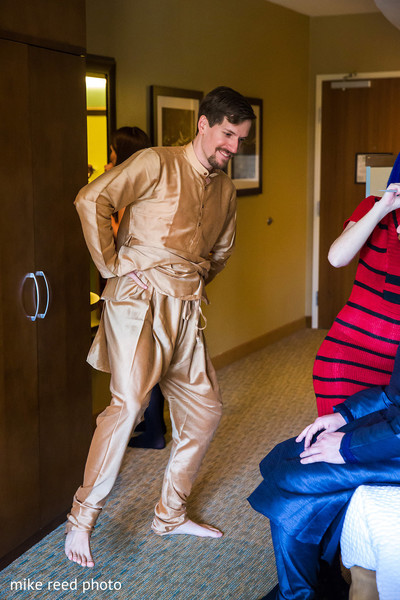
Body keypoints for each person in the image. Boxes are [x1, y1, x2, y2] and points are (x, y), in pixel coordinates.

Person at [65, 86, 256, 568]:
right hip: (137, 302)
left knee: (207, 410)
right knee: (128, 404)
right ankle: (82, 518)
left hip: (186, 307)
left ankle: (169, 514)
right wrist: (111, 265)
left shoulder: (227, 190)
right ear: (203, 124)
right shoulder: (156, 161)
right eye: (227, 135)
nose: (232, 148)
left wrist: (188, 279)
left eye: (241, 140)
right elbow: (92, 199)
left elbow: (222, 252)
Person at [248, 339, 400, 600]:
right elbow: (395, 394)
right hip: (390, 427)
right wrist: (346, 416)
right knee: (282, 456)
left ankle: (299, 594)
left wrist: (347, 446)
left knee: (293, 477)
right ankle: (318, 583)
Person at [313, 181, 400, 416]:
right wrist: (384, 207)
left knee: (380, 449)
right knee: (335, 446)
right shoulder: (374, 207)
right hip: (348, 360)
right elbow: (337, 258)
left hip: (397, 376)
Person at [105, 125, 167, 450]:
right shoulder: (152, 189)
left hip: (136, 290)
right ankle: (154, 425)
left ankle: (150, 427)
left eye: (112, 155)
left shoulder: (134, 197)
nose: (107, 163)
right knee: (149, 357)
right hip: (151, 287)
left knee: (139, 360)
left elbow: (122, 245)